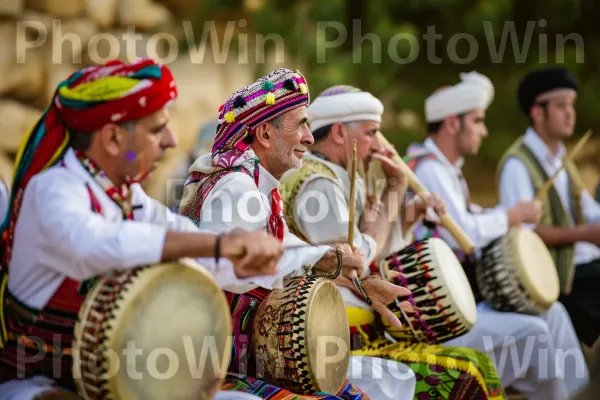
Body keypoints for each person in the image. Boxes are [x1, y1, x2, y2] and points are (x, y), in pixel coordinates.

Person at [0, 58, 288, 400]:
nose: (170, 141)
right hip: (34, 385)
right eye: (156, 130)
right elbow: (98, 243)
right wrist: (218, 245)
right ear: (111, 138)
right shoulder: (52, 190)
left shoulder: (125, 195)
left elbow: (183, 235)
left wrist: (241, 259)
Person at [179, 68, 416, 400]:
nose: (308, 136)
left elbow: (288, 250)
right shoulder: (237, 187)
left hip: (241, 356)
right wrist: (323, 258)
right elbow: (234, 264)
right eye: (300, 124)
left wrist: (356, 281)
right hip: (213, 366)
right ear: (264, 134)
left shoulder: (260, 189)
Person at [280, 84, 507, 400]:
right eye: (371, 132)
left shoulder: (343, 177)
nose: (378, 144)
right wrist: (391, 199)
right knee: (467, 373)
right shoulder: (318, 184)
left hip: (363, 331)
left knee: (474, 366)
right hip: (337, 341)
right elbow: (354, 266)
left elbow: (380, 256)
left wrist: (405, 213)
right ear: (339, 135)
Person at [407, 71, 589, 400]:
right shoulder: (428, 170)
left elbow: (468, 216)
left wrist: (505, 215)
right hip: (444, 318)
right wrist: (512, 216)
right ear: (452, 124)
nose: (484, 130)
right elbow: (462, 234)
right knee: (535, 331)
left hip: (467, 300)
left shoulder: (447, 171)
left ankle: (578, 393)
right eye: (477, 121)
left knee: (554, 312)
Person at [498, 66, 600, 351]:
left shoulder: (562, 158)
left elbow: (589, 211)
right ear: (537, 113)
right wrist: (584, 235)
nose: (570, 113)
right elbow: (522, 238)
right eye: (561, 106)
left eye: (572, 105)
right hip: (560, 278)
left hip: (587, 266)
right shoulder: (517, 165)